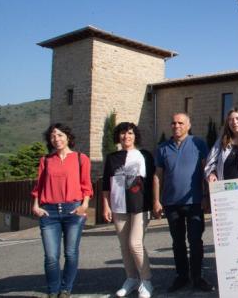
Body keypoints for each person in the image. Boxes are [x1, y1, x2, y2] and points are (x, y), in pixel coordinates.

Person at [153, 113, 214, 292]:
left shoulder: (198, 144)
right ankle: (182, 276)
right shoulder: (163, 148)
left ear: (188, 125)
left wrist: (206, 196)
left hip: (194, 202)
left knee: (195, 241)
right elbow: (158, 176)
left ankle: (197, 277)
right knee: (177, 241)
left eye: (180, 123)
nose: (176, 126)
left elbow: (206, 170)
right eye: (173, 123)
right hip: (171, 203)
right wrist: (156, 200)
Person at [31, 123, 92, 298]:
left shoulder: (81, 158)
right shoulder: (46, 160)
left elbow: (86, 185)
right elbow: (39, 185)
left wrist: (84, 205)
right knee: (51, 256)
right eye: (53, 136)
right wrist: (36, 205)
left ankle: (65, 290)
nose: (56, 139)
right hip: (49, 212)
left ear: (68, 137)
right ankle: (53, 291)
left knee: (71, 254)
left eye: (60, 135)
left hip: (73, 210)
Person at [101, 122, 155, 298]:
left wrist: (156, 202)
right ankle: (131, 279)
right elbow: (106, 185)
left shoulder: (144, 155)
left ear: (135, 136)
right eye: (123, 134)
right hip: (118, 206)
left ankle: (146, 281)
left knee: (135, 243)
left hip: (140, 206)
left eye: (130, 133)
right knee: (124, 246)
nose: (126, 136)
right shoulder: (112, 157)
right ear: (118, 136)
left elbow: (153, 179)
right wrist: (106, 205)